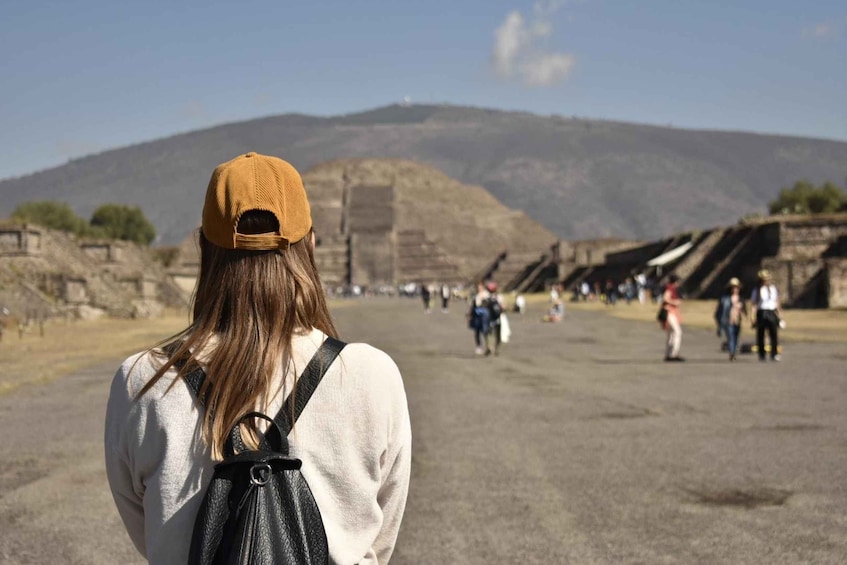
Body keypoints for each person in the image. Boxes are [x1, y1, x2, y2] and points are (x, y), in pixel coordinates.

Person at [104, 153, 412, 565]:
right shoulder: (372, 375)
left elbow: (148, 533)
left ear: (202, 248)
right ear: (312, 246)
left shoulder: (142, 380)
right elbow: (378, 539)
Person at [751, 269, 782, 362]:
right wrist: (752, 316)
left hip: (771, 311)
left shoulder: (773, 289)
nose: (766, 281)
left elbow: (776, 302)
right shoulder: (757, 290)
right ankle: (762, 354)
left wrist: (780, 314)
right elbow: (754, 304)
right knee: (761, 334)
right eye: (764, 279)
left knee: (774, 334)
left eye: (767, 279)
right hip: (762, 311)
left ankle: (774, 353)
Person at [660, 274, 684, 361]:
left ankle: (669, 353)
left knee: (671, 333)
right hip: (670, 312)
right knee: (677, 332)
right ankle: (674, 353)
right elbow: (665, 298)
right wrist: (674, 302)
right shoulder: (670, 288)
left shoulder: (670, 288)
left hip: (670, 312)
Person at [723, 277, 748, 361]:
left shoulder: (741, 299)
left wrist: (746, 317)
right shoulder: (726, 299)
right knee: (731, 337)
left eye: (736, 288)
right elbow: (721, 311)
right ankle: (732, 353)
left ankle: (733, 351)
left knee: (736, 337)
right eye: (733, 288)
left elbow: (744, 309)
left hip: (737, 320)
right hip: (729, 320)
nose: (735, 290)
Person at [467, 280, 492, 355]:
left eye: (480, 286)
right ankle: (479, 346)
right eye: (478, 286)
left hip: (484, 315)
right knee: (477, 331)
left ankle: (488, 346)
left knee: (485, 331)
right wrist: (469, 314)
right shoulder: (475, 295)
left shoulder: (487, 294)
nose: (479, 288)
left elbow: (490, 304)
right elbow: (472, 305)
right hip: (476, 314)